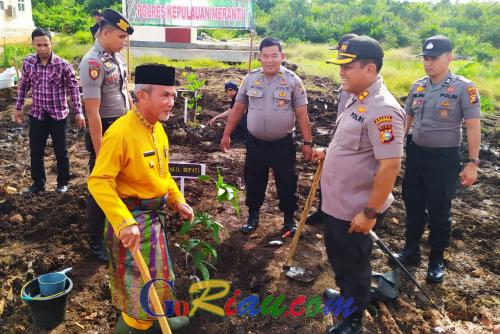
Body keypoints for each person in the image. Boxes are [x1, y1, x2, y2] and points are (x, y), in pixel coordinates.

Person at [88, 64, 192, 333]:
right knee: (137, 279)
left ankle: (160, 317)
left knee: (160, 273)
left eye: (173, 95)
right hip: (132, 220)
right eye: (165, 96)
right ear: (142, 96)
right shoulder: (120, 133)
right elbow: (99, 181)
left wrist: (176, 200)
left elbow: (163, 174)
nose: (172, 102)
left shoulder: (157, 129)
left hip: (154, 217)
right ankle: (137, 325)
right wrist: (124, 222)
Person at [313, 36, 405, 334]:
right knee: (340, 259)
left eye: (347, 66)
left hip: (356, 209)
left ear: (370, 69)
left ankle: (353, 320)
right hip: (337, 203)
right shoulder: (358, 97)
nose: (341, 72)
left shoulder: (384, 110)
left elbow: (390, 165)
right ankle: (347, 298)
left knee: (354, 265)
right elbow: (354, 145)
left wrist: (370, 212)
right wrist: (328, 153)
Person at [395, 35, 481, 284]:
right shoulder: (418, 85)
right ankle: (411, 250)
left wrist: (472, 163)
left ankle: (436, 258)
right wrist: (398, 147)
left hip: (444, 159)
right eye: (425, 58)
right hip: (416, 154)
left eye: (433, 58)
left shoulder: (464, 87)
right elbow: (406, 118)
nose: (428, 63)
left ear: (449, 57)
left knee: (439, 210)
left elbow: (474, 126)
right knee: (412, 203)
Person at [220, 37, 313, 235]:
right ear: (259, 57)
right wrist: (226, 134)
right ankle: (253, 217)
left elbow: (302, 114)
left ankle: (288, 220)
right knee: (254, 180)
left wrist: (308, 142)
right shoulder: (250, 78)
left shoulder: (292, 80)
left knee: (287, 182)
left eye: (274, 55)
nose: (270, 60)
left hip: (283, 143)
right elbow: (237, 109)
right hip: (255, 143)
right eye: (265, 56)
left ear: (282, 56)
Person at [79, 8, 134, 262]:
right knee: (100, 185)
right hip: (105, 130)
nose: (125, 42)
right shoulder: (92, 63)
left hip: (122, 127)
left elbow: (125, 94)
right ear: (107, 33)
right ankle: (94, 240)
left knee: (122, 182)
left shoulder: (117, 58)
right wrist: (101, 151)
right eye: (122, 37)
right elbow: (92, 113)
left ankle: (117, 231)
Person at [15, 28, 85, 194]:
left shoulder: (63, 65)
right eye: (38, 45)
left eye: (45, 45)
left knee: (60, 150)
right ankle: (38, 184)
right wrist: (18, 107)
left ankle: (62, 183)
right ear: (33, 44)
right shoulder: (29, 63)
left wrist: (78, 111)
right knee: (36, 150)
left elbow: (73, 89)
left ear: (51, 44)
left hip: (58, 115)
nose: (42, 48)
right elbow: (24, 86)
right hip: (37, 114)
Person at [306, 33, 359, 225]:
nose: (341, 65)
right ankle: (323, 209)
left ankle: (339, 214)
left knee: (345, 178)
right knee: (328, 174)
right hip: (339, 133)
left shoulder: (362, 84)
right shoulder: (346, 80)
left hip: (353, 140)